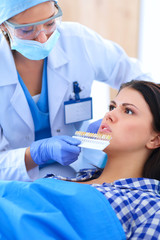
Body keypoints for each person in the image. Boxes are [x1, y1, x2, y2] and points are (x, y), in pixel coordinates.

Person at [0, 0, 153, 181]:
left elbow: (143, 83)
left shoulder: (78, 42)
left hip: (81, 171)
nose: (43, 39)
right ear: (4, 27)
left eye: (50, 23)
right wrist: (35, 154)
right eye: (27, 30)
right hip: (15, 182)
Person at [46, 80, 160, 239]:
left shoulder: (150, 208)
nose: (109, 115)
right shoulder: (74, 177)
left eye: (128, 111)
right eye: (112, 107)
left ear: (155, 139)